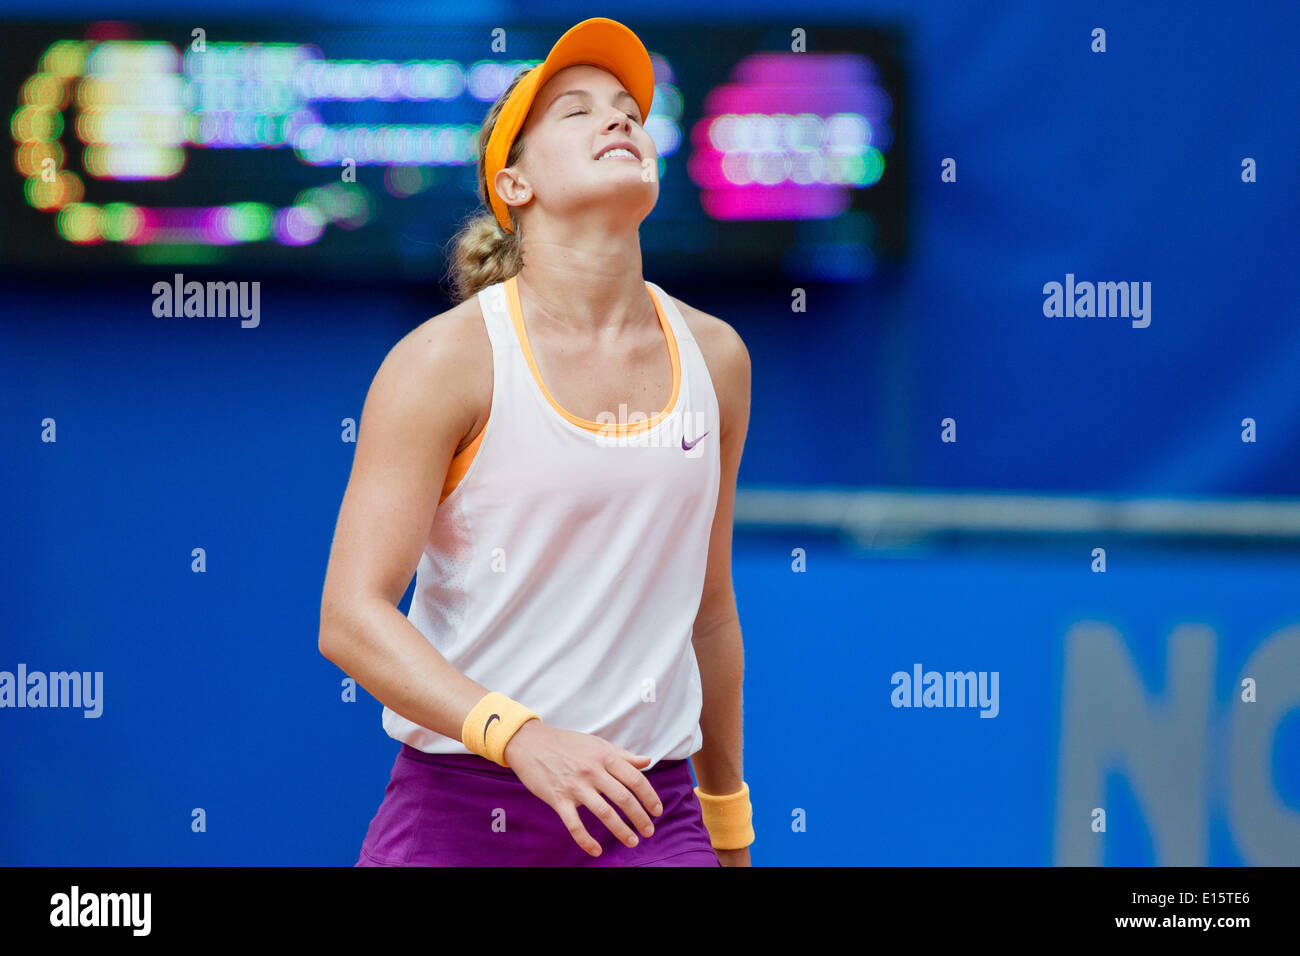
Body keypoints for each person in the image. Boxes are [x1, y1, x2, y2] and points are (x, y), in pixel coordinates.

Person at [319, 17, 753, 866]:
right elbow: (351, 616)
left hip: (649, 818)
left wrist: (726, 826)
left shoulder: (718, 358)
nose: (619, 120)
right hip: (459, 810)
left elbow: (708, 612)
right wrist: (519, 737)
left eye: (629, 110)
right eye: (578, 111)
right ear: (513, 183)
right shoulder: (442, 363)